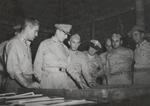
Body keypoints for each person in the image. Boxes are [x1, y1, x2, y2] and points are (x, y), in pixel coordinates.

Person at [34, 24, 77, 89]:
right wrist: (42, 80)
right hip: (48, 79)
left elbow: (69, 66)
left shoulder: (65, 48)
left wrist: (78, 79)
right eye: (65, 34)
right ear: (58, 31)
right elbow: (37, 65)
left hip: (62, 80)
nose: (66, 37)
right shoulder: (45, 44)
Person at [4, 17, 40, 92]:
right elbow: (14, 70)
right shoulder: (14, 43)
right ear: (27, 28)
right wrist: (27, 84)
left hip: (25, 82)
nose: (37, 35)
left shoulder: (26, 45)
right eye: (35, 31)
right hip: (16, 84)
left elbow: (25, 66)